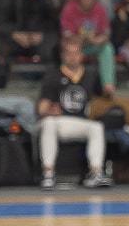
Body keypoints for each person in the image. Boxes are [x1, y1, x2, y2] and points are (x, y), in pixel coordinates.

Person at [37, 38, 112, 190]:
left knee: (97, 127)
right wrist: (49, 110)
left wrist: (108, 91)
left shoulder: (91, 74)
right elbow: (41, 108)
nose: (72, 57)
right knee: (49, 123)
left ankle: (96, 173)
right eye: (69, 53)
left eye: (76, 53)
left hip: (80, 121)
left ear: (82, 55)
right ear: (63, 56)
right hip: (58, 122)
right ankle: (48, 173)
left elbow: (103, 97)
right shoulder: (53, 75)